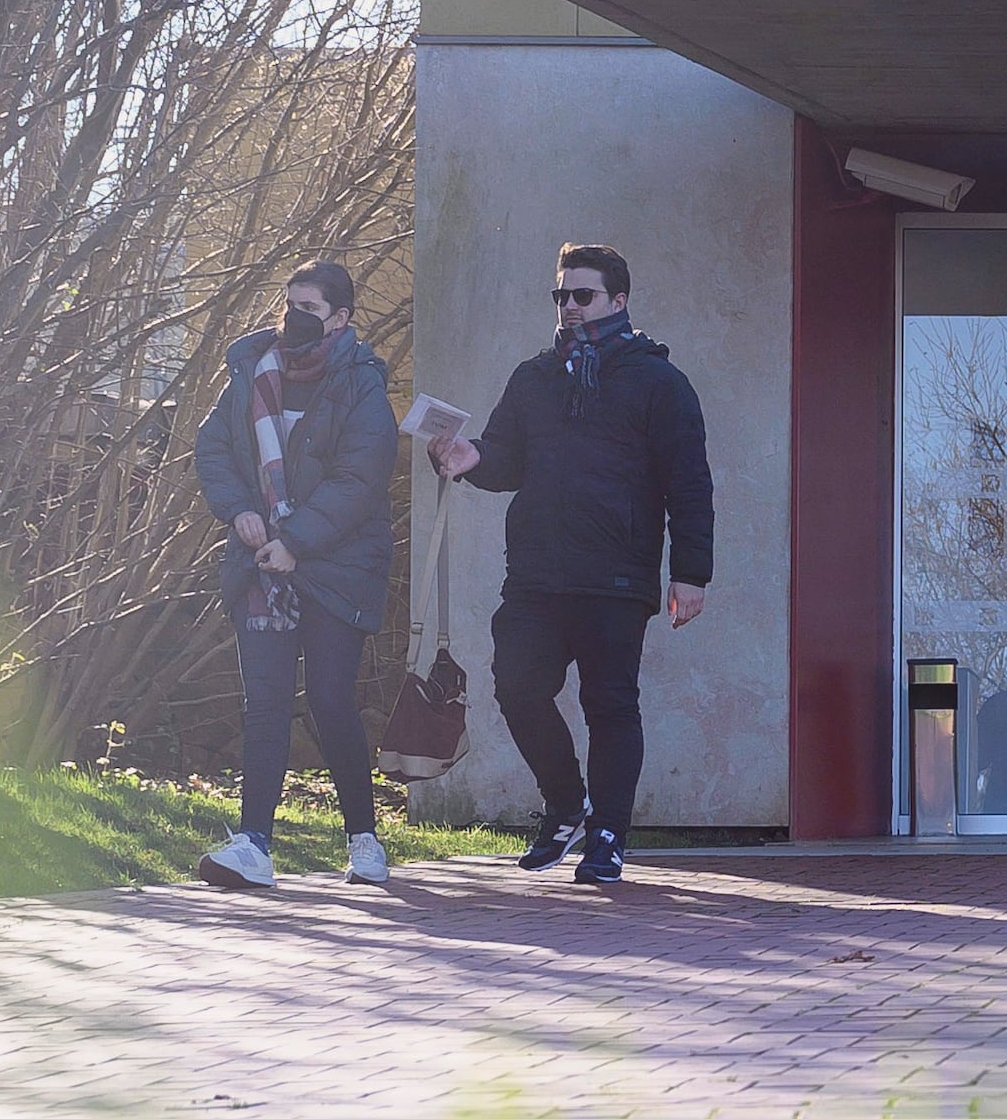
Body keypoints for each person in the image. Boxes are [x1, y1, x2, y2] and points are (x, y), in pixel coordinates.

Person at [432, 240, 712, 884]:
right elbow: (504, 456)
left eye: (581, 296)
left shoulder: (658, 382)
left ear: (618, 301)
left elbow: (689, 483)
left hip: (617, 575)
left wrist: (691, 573)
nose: (569, 308)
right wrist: (469, 458)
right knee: (517, 684)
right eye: (561, 296)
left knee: (611, 704)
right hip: (537, 575)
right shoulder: (534, 377)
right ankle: (566, 803)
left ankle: (608, 834)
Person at [188, 257, 397, 890]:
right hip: (260, 564)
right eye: (288, 303)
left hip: (336, 566)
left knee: (332, 700)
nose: (292, 319)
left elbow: (359, 478)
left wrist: (296, 542)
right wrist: (241, 511)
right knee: (267, 705)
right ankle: (253, 846)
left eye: (308, 309)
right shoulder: (250, 370)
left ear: (340, 319)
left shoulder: (362, 386)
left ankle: (363, 839)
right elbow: (215, 447)